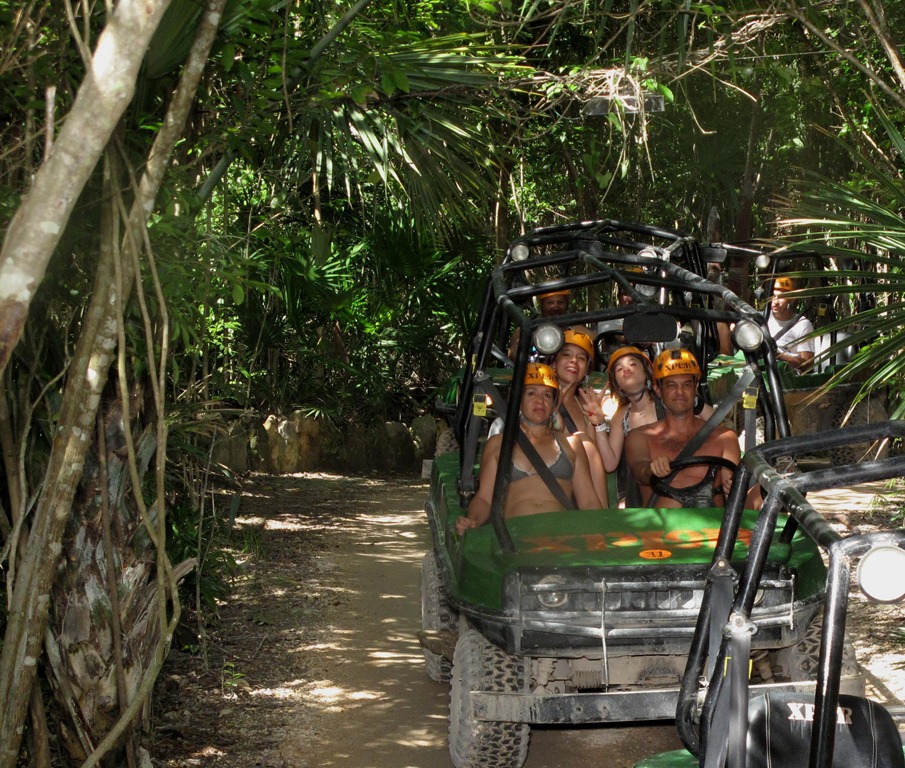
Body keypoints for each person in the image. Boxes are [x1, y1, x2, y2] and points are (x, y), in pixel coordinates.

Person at [455, 363, 601, 534]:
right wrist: (473, 520)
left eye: (547, 395)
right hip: (514, 538)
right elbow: (484, 499)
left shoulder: (572, 444)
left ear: (554, 403)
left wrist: (600, 535)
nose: (540, 401)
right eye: (531, 393)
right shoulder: (498, 444)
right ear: (518, 400)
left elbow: (589, 502)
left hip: (560, 537)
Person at [624, 349, 740, 509]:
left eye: (687, 385)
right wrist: (652, 469)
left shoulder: (725, 438)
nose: (680, 392)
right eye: (671, 385)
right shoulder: (639, 437)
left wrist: (734, 489)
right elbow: (640, 470)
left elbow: (734, 493)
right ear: (658, 389)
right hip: (660, 523)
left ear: (695, 387)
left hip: (712, 522)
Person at [578, 346, 663, 506]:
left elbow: (710, 422)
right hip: (636, 494)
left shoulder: (667, 403)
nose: (626, 369)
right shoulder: (621, 415)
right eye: (619, 368)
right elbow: (610, 463)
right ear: (617, 384)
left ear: (647, 372)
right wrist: (599, 424)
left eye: (633, 363)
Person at [551, 327, 609, 505]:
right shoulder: (537, 400)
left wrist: (598, 423)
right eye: (566, 355)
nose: (574, 361)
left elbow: (597, 459)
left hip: (584, 492)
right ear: (554, 363)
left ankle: (602, 515)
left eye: (581, 358)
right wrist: (553, 409)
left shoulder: (585, 404)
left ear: (586, 370)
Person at [768, 277, 814, 372]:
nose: (775, 302)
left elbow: (808, 364)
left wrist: (778, 356)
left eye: (781, 297)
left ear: (791, 300)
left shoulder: (802, 324)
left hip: (788, 375)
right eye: (773, 296)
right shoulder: (762, 319)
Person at [508, 289, 571, 358]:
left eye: (560, 302)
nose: (555, 307)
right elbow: (513, 355)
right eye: (550, 302)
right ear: (542, 304)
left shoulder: (575, 329)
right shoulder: (526, 330)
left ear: (567, 305)